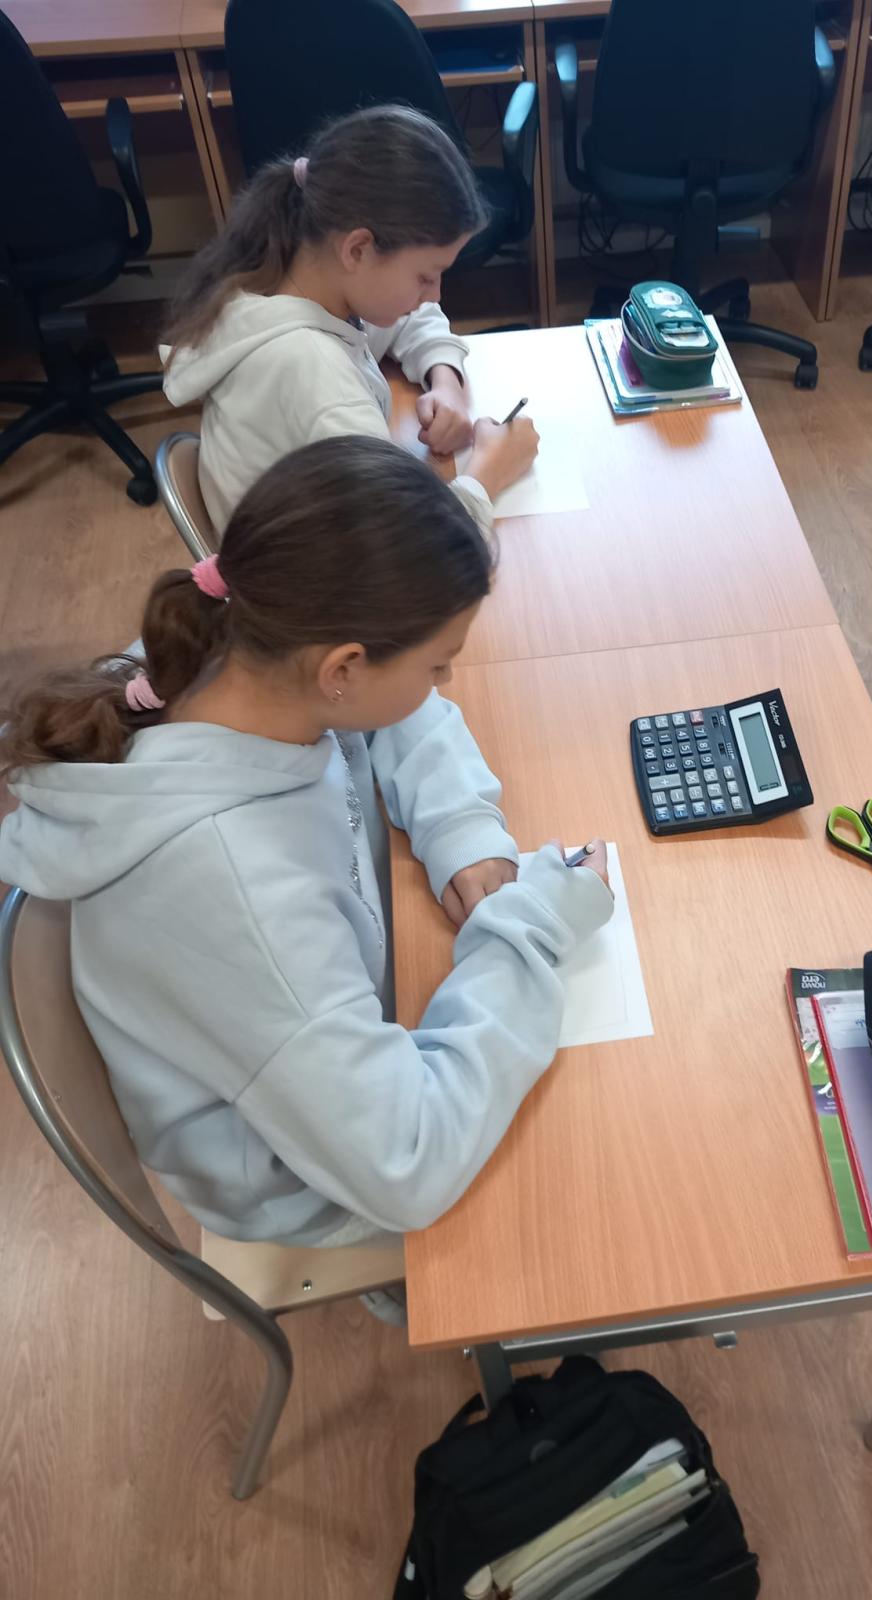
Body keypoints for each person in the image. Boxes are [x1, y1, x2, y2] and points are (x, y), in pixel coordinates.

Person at [0, 436, 611, 1265]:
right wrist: (535, 924)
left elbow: (395, 714)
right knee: (603, 1167)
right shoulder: (235, 893)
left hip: (326, 1037)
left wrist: (459, 826)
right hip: (316, 1174)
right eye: (439, 665)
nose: (442, 686)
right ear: (343, 668)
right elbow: (407, 1161)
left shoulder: (230, 653)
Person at [161, 104, 539, 537]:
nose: (434, 294)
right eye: (425, 276)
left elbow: (406, 317)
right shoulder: (318, 380)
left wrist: (445, 379)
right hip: (317, 573)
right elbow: (417, 553)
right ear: (357, 250)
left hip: (304, 540)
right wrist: (489, 471)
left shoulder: (285, 276)